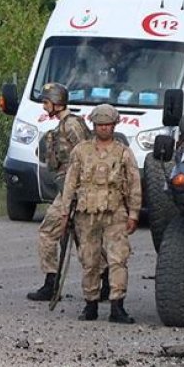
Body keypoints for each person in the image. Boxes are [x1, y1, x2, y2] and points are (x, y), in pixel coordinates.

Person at [60, 104, 141, 324]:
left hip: (115, 213)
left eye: (108, 124)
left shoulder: (123, 152)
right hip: (86, 214)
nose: (104, 128)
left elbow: (134, 183)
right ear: (94, 126)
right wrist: (65, 212)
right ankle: (91, 304)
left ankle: (117, 306)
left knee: (118, 259)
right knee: (89, 260)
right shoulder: (81, 151)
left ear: (114, 125)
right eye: (100, 125)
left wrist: (134, 213)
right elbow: (70, 183)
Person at [27, 82, 93, 301]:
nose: (44, 107)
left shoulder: (72, 125)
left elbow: (87, 156)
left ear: (57, 103)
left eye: (46, 102)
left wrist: (79, 191)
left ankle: (100, 282)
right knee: (54, 233)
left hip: (76, 191)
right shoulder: (63, 126)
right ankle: (52, 282)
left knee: (82, 238)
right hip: (66, 189)